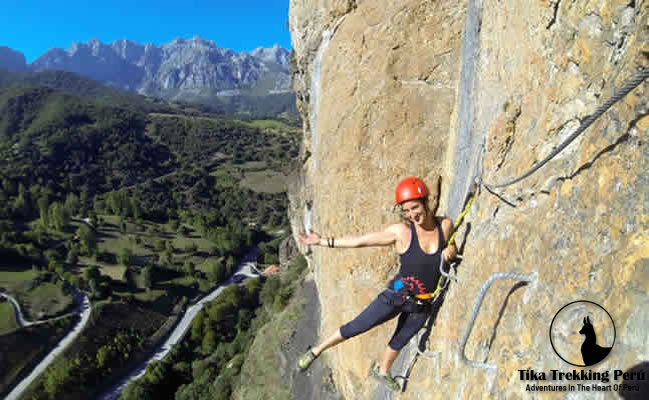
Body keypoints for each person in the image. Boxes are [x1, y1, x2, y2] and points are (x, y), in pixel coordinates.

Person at [296, 176, 457, 391]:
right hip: (398, 292)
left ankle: (382, 371)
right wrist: (323, 241)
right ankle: (316, 351)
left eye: (415, 207)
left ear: (426, 202)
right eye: (406, 211)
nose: (412, 214)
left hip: (422, 303)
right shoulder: (402, 232)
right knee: (360, 325)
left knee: (401, 339)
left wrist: (452, 251)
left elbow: (450, 245)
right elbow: (361, 241)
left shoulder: (444, 226)